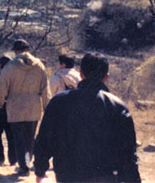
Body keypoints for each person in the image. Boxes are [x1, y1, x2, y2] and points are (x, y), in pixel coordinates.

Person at [34, 53, 141, 183]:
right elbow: (128, 153)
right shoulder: (117, 106)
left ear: (80, 73)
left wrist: (40, 170)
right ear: (106, 77)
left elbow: (44, 140)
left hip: (67, 175)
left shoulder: (59, 101)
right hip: (106, 176)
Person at [0, 39, 50, 176]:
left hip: (15, 107)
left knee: (18, 138)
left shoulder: (10, 66)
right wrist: (47, 107)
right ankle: (27, 162)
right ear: (28, 49)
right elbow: (45, 89)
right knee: (30, 137)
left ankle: (23, 167)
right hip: (34, 107)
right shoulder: (39, 66)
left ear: (16, 51)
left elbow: (1, 87)